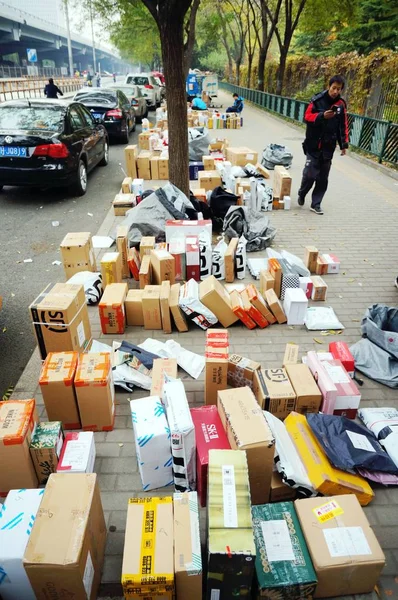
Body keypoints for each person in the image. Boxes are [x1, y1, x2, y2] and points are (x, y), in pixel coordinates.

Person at [297, 75, 349, 215]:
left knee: (322, 178)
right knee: (309, 175)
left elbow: (343, 125)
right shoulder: (317, 100)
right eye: (334, 88)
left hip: (328, 147)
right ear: (329, 86)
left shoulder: (341, 105)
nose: (335, 92)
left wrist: (343, 144)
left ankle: (316, 204)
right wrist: (321, 116)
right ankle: (302, 193)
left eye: (339, 89)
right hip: (313, 145)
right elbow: (306, 117)